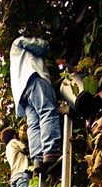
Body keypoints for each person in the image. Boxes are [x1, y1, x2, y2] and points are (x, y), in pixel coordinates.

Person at [10, 36, 62, 173]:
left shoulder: (14, 61)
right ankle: (50, 151)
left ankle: (37, 159)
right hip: (33, 78)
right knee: (47, 111)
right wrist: (47, 43)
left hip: (22, 92)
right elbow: (41, 46)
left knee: (33, 124)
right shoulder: (18, 42)